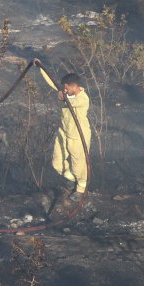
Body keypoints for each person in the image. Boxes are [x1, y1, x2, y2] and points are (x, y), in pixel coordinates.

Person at [39, 66, 90, 203]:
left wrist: (63, 97)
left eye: (66, 88)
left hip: (78, 136)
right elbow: (53, 83)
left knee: (79, 165)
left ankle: (80, 188)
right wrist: (41, 67)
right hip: (64, 132)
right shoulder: (68, 93)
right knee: (57, 162)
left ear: (72, 86)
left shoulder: (83, 98)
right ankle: (72, 179)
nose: (64, 90)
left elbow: (70, 102)